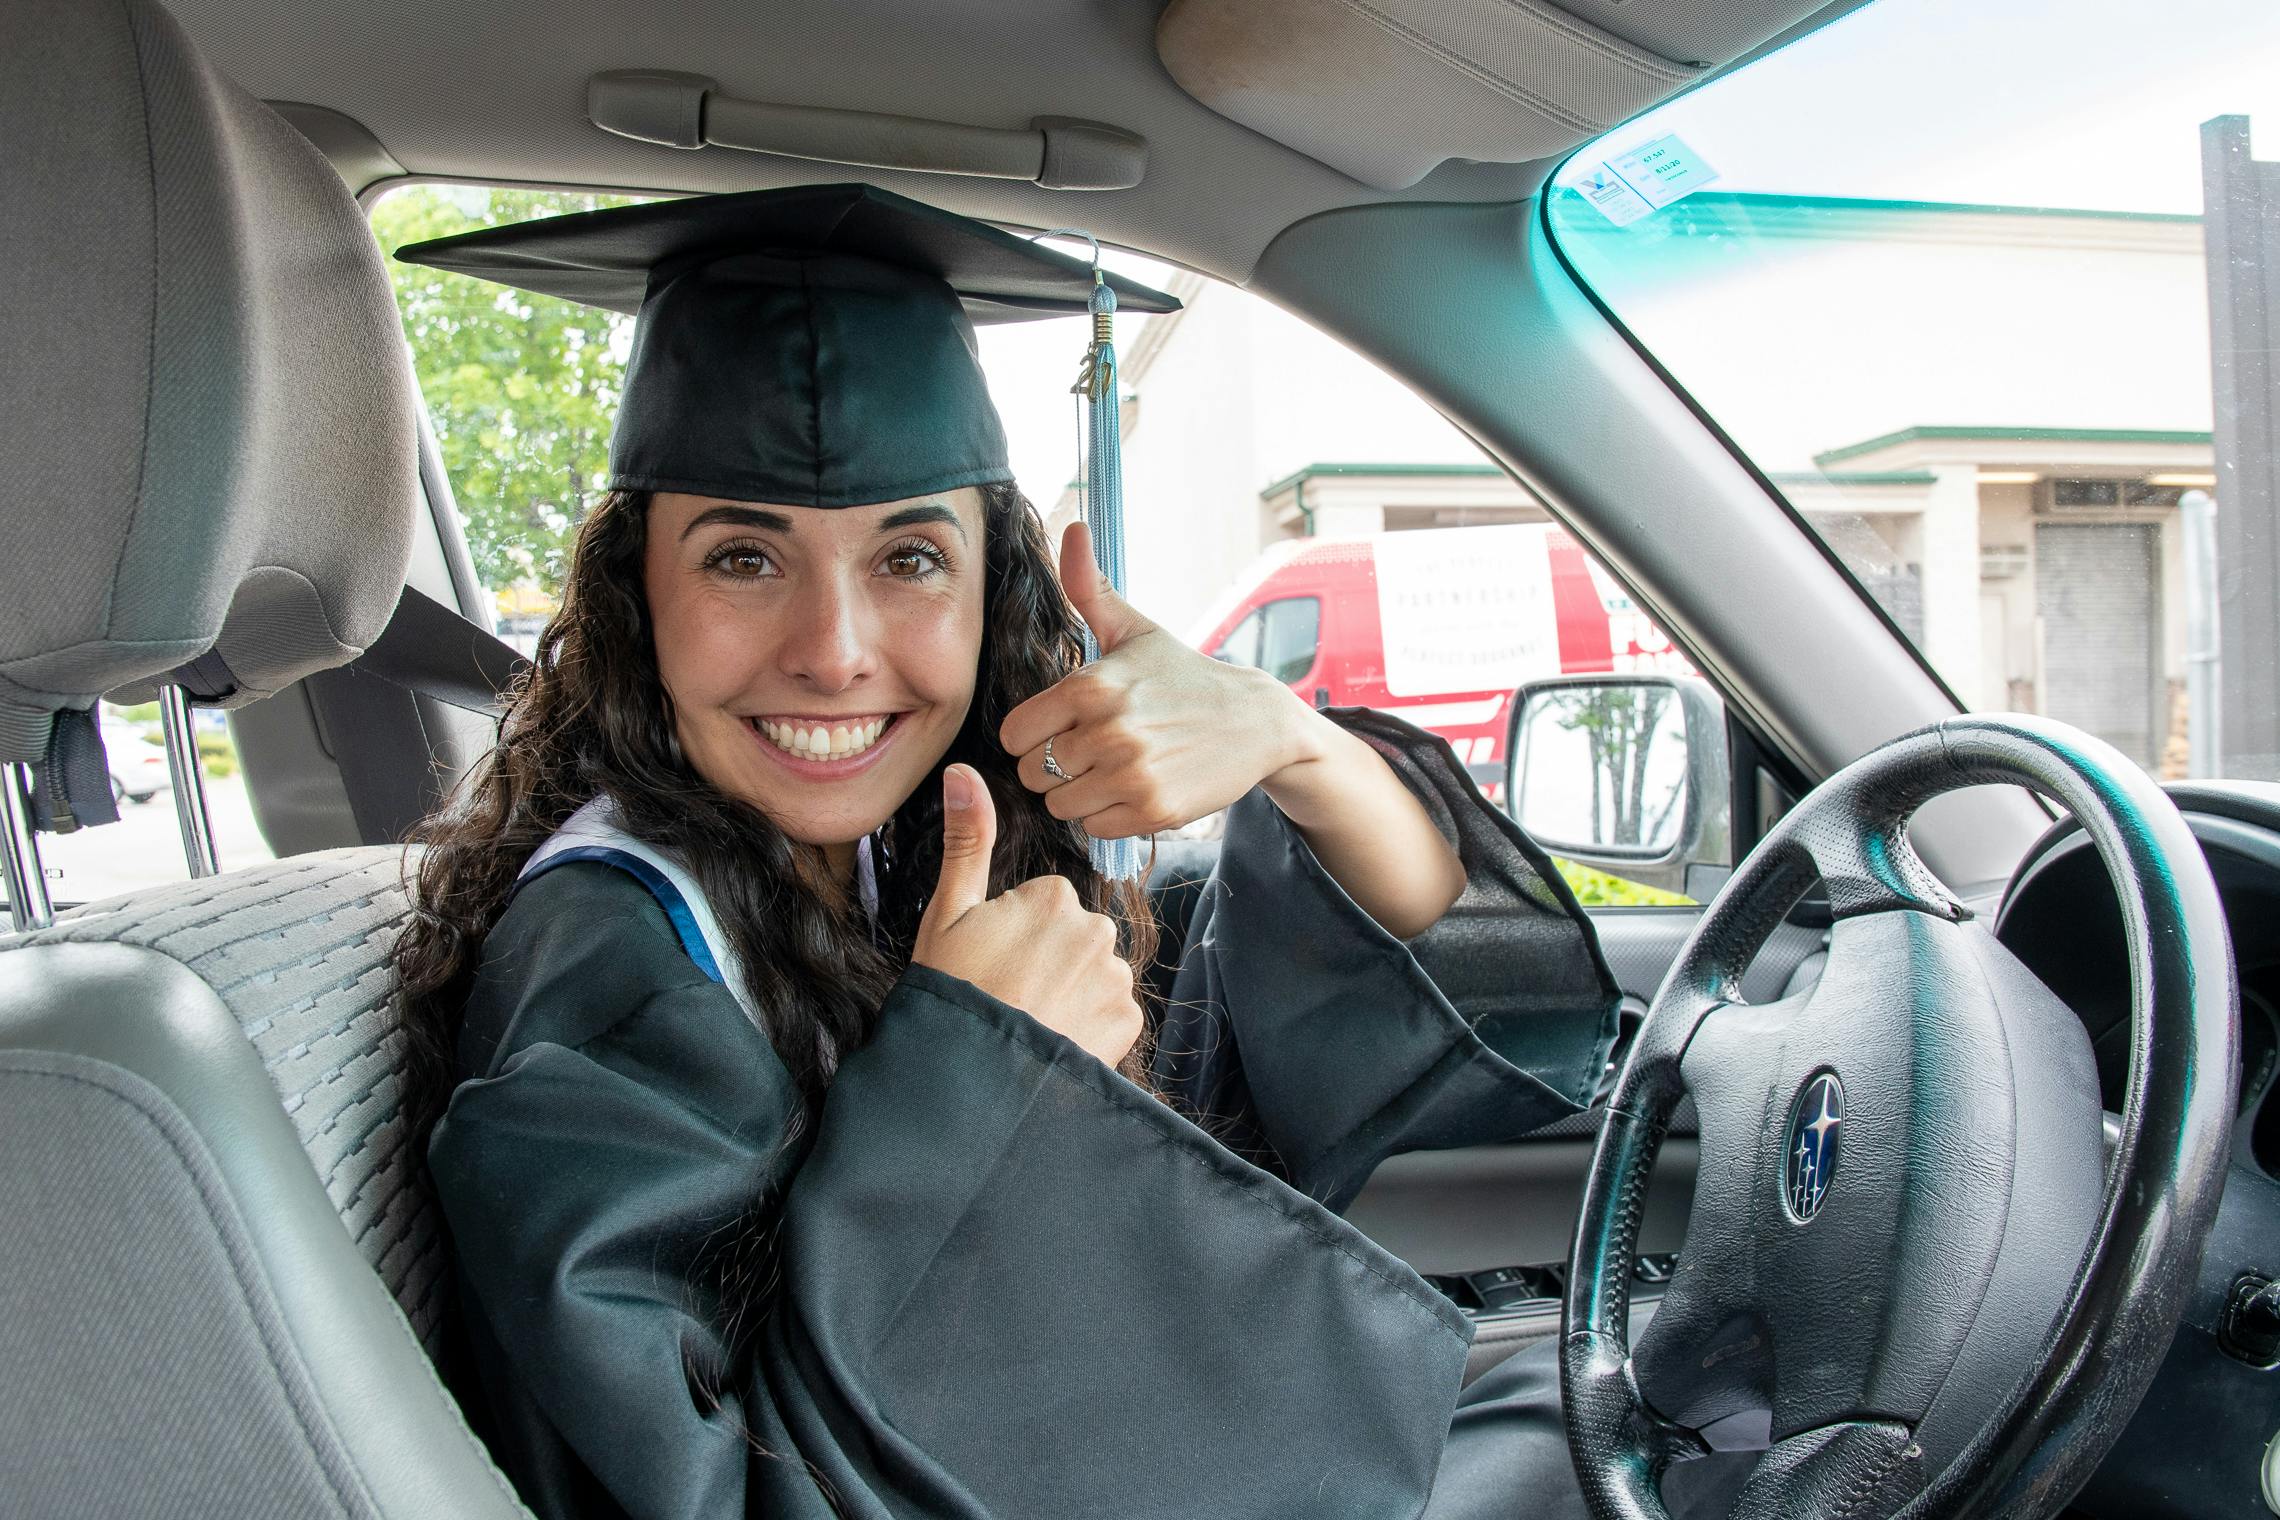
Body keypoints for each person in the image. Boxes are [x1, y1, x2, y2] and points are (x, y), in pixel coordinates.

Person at [390, 183, 1738, 1519]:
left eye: (911, 558)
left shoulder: (899, 860)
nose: (834, 651)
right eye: (743, 558)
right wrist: (976, 1075)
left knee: (1628, 1428)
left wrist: (1291, 742)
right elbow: (689, 1497)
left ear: (994, 591)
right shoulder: (613, 962)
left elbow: (1317, 1021)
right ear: (639, 597)